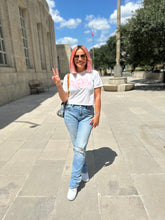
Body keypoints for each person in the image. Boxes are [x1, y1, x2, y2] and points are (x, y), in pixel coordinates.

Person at [52, 45, 102, 201]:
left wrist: (97, 114)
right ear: (73, 59)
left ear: (87, 57)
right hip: (71, 114)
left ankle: (73, 184)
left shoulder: (94, 74)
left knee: (79, 147)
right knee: (78, 148)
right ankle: (84, 170)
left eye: (82, 56)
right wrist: (59, 85)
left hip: (87, 114)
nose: (80, 59)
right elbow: (64, 99)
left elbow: (97, 96)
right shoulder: (68, 77)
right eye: (76, 56)